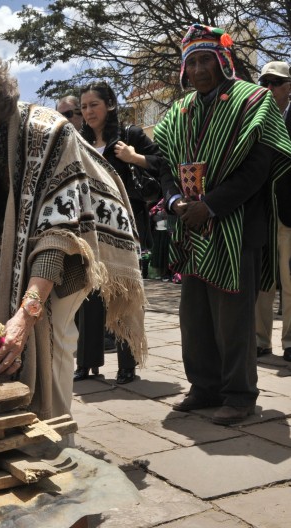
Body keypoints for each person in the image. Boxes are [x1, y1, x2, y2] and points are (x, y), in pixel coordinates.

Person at [0, 51, 147, 420]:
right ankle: (12, 426)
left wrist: (27, 313)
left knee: (52, 342)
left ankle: (51, 433)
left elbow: (57, 232)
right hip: (19, 250)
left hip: (73, 245)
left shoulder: (48, 131)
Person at [154, 24, 291, 425]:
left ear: (223, 60)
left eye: (205, 60)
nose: (198, 69)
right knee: (193, 314)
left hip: (235, 225)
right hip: (192, 227)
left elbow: (258, 168)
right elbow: (164, 165)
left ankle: (240, 395)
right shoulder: (177, 114)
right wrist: (177, 201)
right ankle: (203, 386)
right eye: (191, 62)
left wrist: (210, 206)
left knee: (234, 317)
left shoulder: (254, 102)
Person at [74, 81, 165, 384]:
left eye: (93, 105)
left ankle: (128, 364)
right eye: (84, 107)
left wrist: (134, 158)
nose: (88, 112)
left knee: (124, 292)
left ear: (110, 105)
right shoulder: (78, 142)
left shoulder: (131, 136)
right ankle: (87, 363)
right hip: (89, 229)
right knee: (88, 294)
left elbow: (162, 164)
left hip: (125, 229)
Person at [254, 61, 291, 361]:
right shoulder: (255, 120)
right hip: (262, 212)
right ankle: (259, 340)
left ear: (288, 86)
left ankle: (290, 343)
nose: (269, 88)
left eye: (276, 82)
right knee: (262, 281)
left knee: (290, 281)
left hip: (289, 212)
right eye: (264, 82)